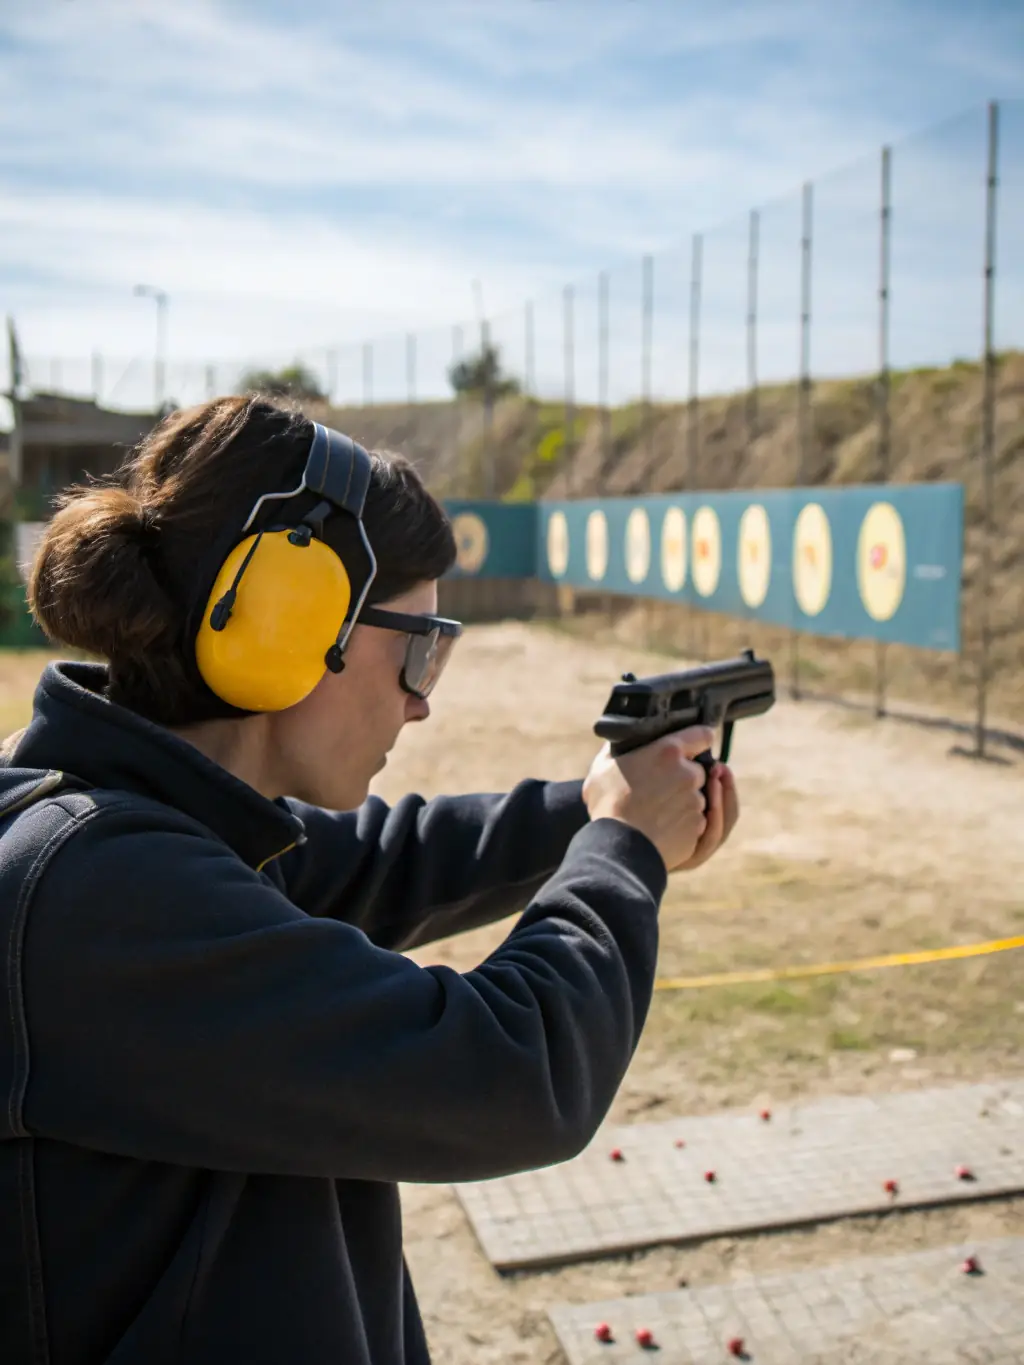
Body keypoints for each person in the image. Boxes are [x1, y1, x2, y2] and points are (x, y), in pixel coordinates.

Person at [0, 395, 739, 1365]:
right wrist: (624, 847)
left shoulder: (117, 817)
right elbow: (512, 1072)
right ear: (289, 623)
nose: (422, 702)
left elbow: (388, 860)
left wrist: (598, 804)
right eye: (418, 650)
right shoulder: (99, 893)